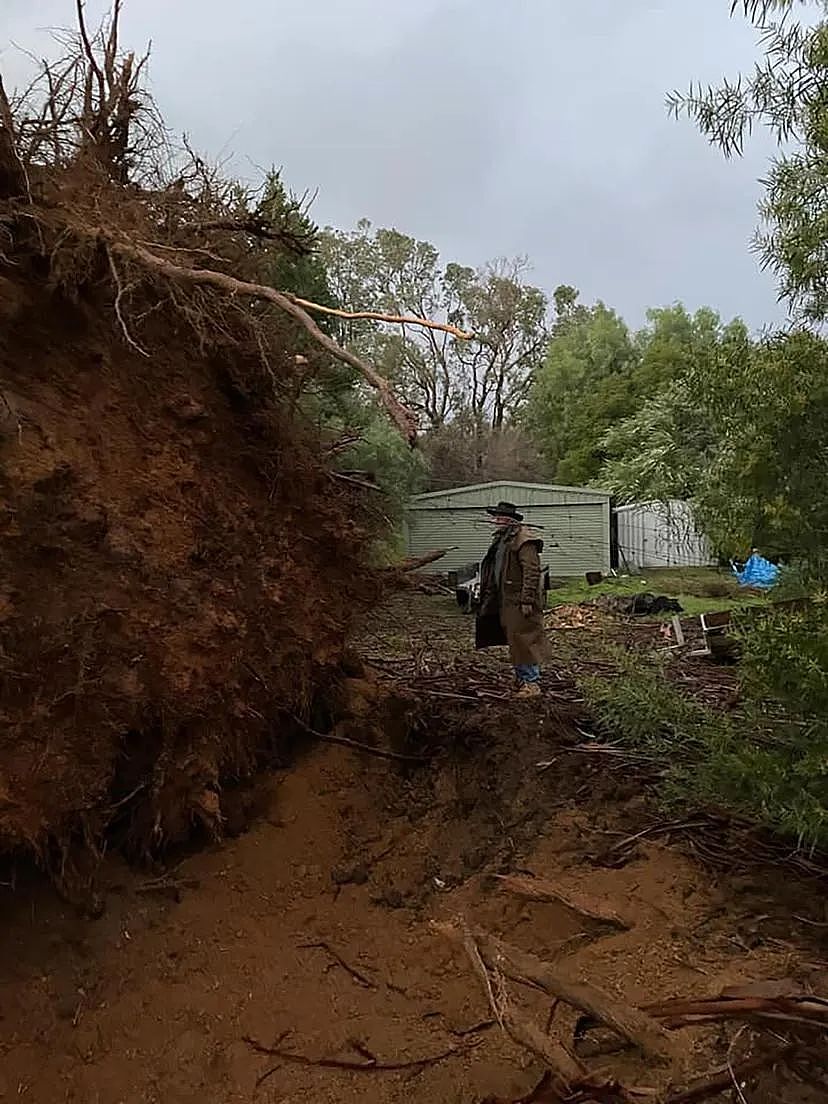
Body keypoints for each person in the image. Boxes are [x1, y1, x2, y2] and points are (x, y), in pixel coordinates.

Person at [475, 501, 545, 698]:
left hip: (519, 601)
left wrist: (527, 600)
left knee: (525, 640)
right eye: (495, 517)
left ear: (508, 520)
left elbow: (532, 571)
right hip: (505, 600)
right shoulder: (503, 540)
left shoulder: (523, 540)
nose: (495, 521)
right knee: (514, 640)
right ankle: (522, 678)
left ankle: (531, 683)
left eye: (499, 517)